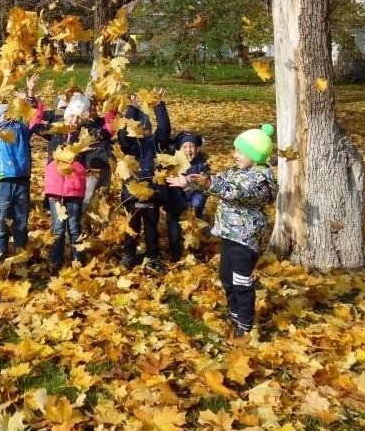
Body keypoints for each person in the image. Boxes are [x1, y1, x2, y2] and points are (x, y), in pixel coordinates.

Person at [169, 124, 277, 337]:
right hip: (229, 234)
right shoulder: (239, 172)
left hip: (245, 239)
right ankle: (234, 312)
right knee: (226, 276)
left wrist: (208, 182)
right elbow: (219, 181)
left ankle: (245, 324)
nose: (235, 155)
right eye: (236, 150)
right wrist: (189, 182)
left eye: (240, 151)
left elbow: (236, 192)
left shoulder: (259, 180)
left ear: (254, 156)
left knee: (241, 281)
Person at [0, 73, 44, 259]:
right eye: (3, 115)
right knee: (2, 216)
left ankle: (20, 249)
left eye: (9, 113)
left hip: (22, 178)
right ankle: (0, 250)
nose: (7, 117)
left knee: (21, 217)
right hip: (3, 179)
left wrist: (30, 92)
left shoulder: (21, 129)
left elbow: (30, 113)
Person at [117, 88, 173, 274]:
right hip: (132, 194)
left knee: (151, 226)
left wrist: (158, 105)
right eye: (140, 127)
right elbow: (123, 133)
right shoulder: (129, 145)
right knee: (131, 227)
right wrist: (132, 109)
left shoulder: (156, 143)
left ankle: (152, 256)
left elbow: (164, 128)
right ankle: (128, 254)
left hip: (152, 192)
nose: (143, 130)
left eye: (146, 128)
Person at [40, 92, 94, 274]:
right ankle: (56, 260)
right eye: (71, 115)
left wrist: (107, 111)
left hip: (74, 189)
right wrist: (32, 98)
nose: (74, 120)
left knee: (74, 226)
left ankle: (77, 259)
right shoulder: (55, 134)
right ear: (65, 114)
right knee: (58, 227)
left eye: (78, 117)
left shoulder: (84, 137)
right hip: (55, 188)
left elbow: (106, 131)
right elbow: (34, 123)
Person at [165, 131, 212, 261]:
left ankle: (197, 254)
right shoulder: (172, 165)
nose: (188, 150)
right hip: (176, 207)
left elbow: (204, 189)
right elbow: (170, 188)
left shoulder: (202, 165)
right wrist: (181, 208)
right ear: (179, 149)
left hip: (195, 207)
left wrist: (194, 207)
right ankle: (176, 255)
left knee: (197, 231)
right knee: (174, 232)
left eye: (191, 146)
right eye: (184, 147)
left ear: (197, 148)